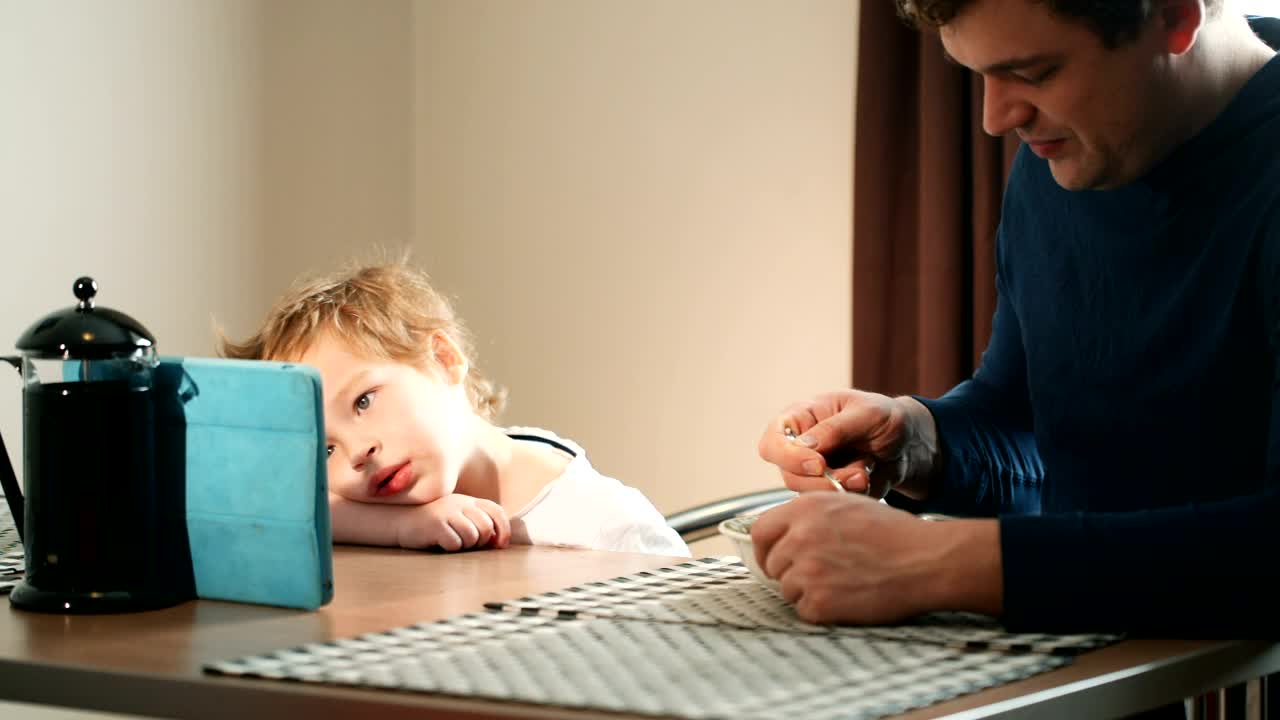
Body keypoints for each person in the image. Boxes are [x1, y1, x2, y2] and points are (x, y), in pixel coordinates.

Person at [754, 0, 1280, 638]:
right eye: (979, 75)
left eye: (1034, 73)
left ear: (1174, 16)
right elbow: (1030, 430)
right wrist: (917, 441)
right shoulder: (1058, 163)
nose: (995, 118)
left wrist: (935, 563)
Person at [221, 259, 690, 558]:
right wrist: (404, 526)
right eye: (325, 450)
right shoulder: (418, 488)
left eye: (364, 401)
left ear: (444, 360)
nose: (358, 453)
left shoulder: (609, 526)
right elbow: (265, 500)